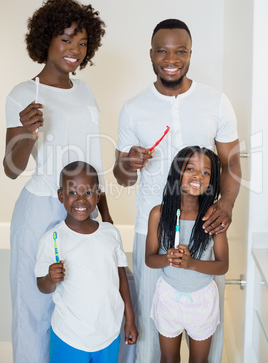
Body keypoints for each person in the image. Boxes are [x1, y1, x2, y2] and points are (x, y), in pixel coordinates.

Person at [113, 19, 241, 363]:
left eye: (180, 51)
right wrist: (129, 163)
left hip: (203, 228)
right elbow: (121, 176)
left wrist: (226, 204)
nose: (172, 58)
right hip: (151, 230)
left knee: (205, 339)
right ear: (151, 55)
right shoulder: (133, 108)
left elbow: (230, 163)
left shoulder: (216, 102)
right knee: (154, 339)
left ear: (190, 54)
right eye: (163, 51)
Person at [3, 0, 112, 363]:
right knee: (34, 307)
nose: (74, 51)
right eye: (66, 39)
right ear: (46, 38)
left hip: (84, 208)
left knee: (79, 303)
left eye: (82, 43)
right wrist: (28, 133)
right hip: (41, 210)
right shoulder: (23, 93)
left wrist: (105, 216)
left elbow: (93, 162)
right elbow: (12, 168)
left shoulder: (85, 92)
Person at [35, 161, 138, 363]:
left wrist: (130, 319)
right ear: (61, 196)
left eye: (88, 192)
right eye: (72, 192)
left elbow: (121, 278)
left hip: (108, 333)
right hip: (69, 336)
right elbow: (42, 286)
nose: (80, 199)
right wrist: (50, 278)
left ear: (98, 195)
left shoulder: (110, 233)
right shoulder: (52, 239)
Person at [145, 146, 228, 363]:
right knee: (169, 358)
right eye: (190, 168)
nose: (198, 176)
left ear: (212, 181)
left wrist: (191, 264)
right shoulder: (159, 214)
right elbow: (149, 259)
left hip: (202, 300)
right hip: (169, 298)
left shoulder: (213, 217)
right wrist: (168, 259)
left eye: (206, 172)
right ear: (176, 173)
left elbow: (223, 265)